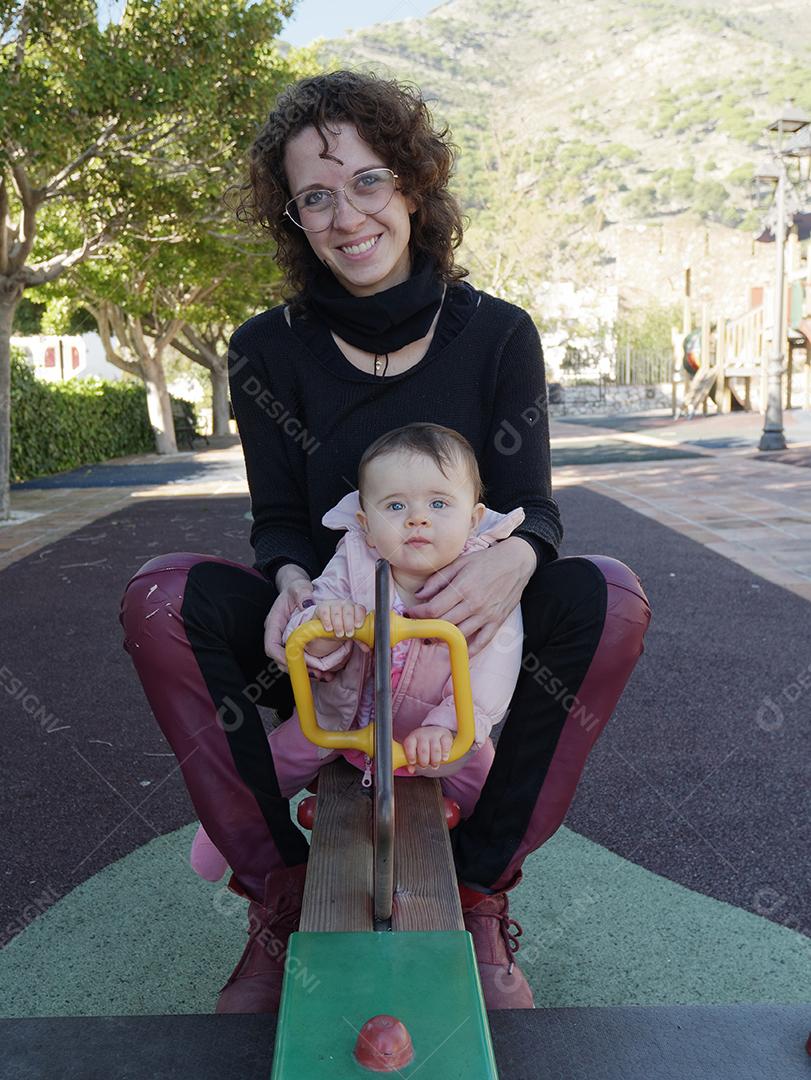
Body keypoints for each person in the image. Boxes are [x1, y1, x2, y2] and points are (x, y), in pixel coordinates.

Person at [119, 69, 652, 1014]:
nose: (346, 214)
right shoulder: (264, 348)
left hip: (459, 633)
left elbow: (534, 507)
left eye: (368, 181)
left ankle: (482, 889)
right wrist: (289, 586)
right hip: (332, 629)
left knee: (605, 595)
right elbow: (280, 520)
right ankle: (279, 893)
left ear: (411, 185)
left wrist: (509, 564)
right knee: (161, 595)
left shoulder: (496, 334)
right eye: (315, 195)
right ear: (294, 217)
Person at [188, 422, 526, 884]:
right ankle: (227, 841)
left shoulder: (481, 581)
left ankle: (481, 883)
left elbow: (494, 669)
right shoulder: (355, 559)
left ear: (473, 518)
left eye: (439, 503)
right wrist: (329, 626)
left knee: (495, 797)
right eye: (395, 506)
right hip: (341, 722)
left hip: (438, 733)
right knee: (264, 768)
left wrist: (448, 728)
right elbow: (304, 632)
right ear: (366, 524)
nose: (417, 518)